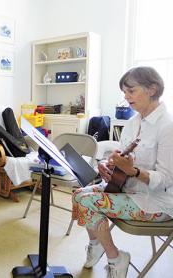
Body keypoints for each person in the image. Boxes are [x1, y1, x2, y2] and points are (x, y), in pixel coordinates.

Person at [72, 66, 173, 278]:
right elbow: (121, 157)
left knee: (89, 202)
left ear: (152, 89)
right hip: (127, 189)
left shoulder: (167, 127)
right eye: (124, 92)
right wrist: (108, 166)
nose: (126, 97)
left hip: (156, 201)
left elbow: (166, 180)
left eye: (131, 91)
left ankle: (115, 257)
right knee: (79, 194)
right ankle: (97, 244)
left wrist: (134, 171)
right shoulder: (133, 122)